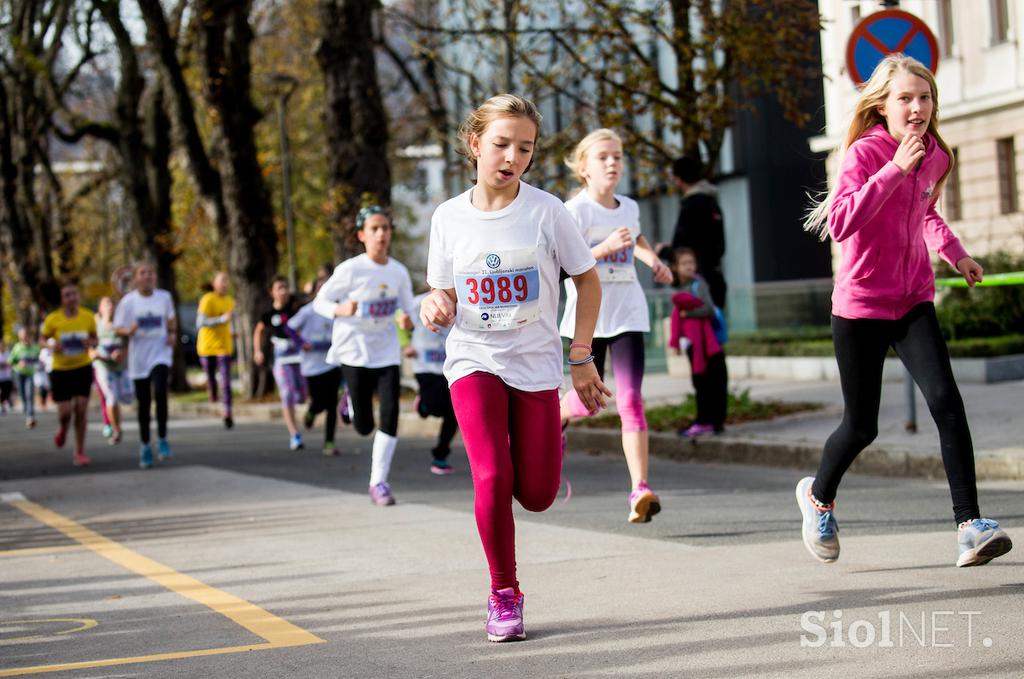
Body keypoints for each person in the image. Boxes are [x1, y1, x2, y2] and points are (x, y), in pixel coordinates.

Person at [798, 53, 1012, 568]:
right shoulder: (865, 154)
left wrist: (956, 252)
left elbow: (927, 212)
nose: (917, 108)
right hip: (860, 306)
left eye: (925, 98)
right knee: (862, 425)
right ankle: (817, 497)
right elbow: (844, 221)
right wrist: (894, 169)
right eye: (906, 99)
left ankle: (970, 526)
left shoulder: (936, 156)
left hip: (913, 297)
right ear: (883, 105)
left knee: (947, 402)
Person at [421, 94, 609, 642]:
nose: (512, 157)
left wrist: (580, 356)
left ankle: (550, 440)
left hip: (536, 364)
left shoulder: (548, 211)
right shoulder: (448, 217)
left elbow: (587, 280)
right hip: (473, 359)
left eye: (524, 148)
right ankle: (504, 593)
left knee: (538, 495)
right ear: (476, 144)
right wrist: (435, 302)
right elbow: (441, 289)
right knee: (492, 476)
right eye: (501, 144)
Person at [557, 128, 674, 524]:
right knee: (591, 405)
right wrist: (604, 249)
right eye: (603, 157)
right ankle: (559, 413)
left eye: (618, 156)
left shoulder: (629, 207)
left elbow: (636, 239)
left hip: (627, 313)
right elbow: (562, 264)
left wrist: (653, 261)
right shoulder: (575, 211)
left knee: (631, 401)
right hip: (587, 319)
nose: (612, 163)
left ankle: (640, 489)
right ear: (584, 168)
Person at [313, 206, 416, 505]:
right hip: (354, 350)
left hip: (385, 351)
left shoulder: (398, 271)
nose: (381, 234)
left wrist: (406, 320)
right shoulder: (350, 270)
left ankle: (378, 483)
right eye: (375, 229)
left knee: (390, 415)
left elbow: (407, 308)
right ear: (362, 235)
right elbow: (320, 301)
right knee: (363, 427)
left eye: (385, 228)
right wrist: (338, 309)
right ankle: (350, 400)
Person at [114, 262, 177, 469]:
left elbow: (170, 320)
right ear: (135, 279)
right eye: (143, 273)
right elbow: (117, 328)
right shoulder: (128, 302)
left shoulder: (164, 297)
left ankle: (162, 437)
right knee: (144, 404)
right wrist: (128, 331)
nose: (148, 276)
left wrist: (173, 334)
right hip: (138, 358)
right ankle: (144, 445)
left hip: (160, 354)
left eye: (151, 273)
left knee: (160, 392)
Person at [668, 248, 728, 437]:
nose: (689, 266)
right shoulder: (679, 288)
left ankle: (711, 421)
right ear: (676, 268)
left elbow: (708, 309)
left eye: (691, 263)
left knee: (712, 381)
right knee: (700, 382)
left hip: (707, 343)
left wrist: (687, 313)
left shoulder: (698, 284)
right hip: (693, 344)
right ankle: (706, 420)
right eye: (684, 263)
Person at [41, 281, 97, 467]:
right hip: (61, 369)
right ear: (62, 299)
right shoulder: (53, 319)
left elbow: (95, 339)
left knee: (81, 410)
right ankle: (63, 429)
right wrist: (50, 344)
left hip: (82, 367)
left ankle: (79, 452)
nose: (72, 298)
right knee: (65, 412)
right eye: (67, 295)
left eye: (74, 294)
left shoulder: (87, 316)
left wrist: (91, 342)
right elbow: (42, 340)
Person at [405, 291, 459, 474]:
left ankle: (440, 455)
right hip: (424, 364)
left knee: (454, 412)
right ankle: (423, 406)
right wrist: (405, 344)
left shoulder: (462, 300)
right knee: (435, 407)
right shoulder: (418, 301)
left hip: (451, 365)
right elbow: (398, 319)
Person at [663, 155, 727, 309]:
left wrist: (663, 251)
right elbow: (719, 246)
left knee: (694, 329)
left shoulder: (691, 205)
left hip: (696, 284)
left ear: (678, 179)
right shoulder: (712, 202)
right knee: (715, 329)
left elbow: (682, 246)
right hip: (716, 279)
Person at [289, 281, 344, 456]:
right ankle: (312, 412)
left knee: (331, 404)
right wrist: (301, 344)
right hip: (312, 367)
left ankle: (329, 442)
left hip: (332, 364)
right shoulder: (308, 311)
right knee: (320, 402)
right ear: (315, 292)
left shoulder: (337, 310)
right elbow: (289, 328)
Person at [254, 276, 307, 450]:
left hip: (299, 356)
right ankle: (294, 435)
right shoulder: (269, 313)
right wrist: (258, 351)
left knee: (302, 395)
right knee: (287, 394)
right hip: (281, 359)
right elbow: (259, 330)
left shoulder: (296, 306)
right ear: (272, 292)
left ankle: (303, 415)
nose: (283, 291)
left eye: (286, 287)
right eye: (279, 288)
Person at [197, 271, 236, 429]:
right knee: (212, 378)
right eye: (222, 281)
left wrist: (233, 330)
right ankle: (212, 392)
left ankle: (227, 412)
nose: (225, 284)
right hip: (207, 347)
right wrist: (220, 320)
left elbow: (230, 321)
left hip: (224, 347)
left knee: (226, 381)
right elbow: (200, 322)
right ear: (214, 284)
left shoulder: (229, 301)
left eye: (227, 281)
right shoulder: (207, 299)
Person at [92, 296, 132, 445]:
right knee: (112, 397)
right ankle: (116, 430)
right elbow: (91, 349)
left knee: (127, 398)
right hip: (104, 368)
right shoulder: (96, 325)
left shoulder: (121, 326)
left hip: (121, 368)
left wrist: (122, 354)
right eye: (106, 304)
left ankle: (116, 425)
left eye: (112, 303)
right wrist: (101, 355)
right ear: (100, 308)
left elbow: (128, 343)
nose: (110, 306)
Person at [10, 326, 40, 428]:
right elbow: (11, 361)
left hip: (30, 374)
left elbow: (38, 360)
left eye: (26, 336)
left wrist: (40, 363)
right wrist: (18, 363)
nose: (25, 339)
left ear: (29, 337)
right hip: (19, 374)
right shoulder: (17, 347)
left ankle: (30, 417)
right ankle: (27, 410)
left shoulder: (35, 348)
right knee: (23, 395)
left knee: (29, 394)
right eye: (22, 337)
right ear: (20, 338)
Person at [35, 343, 52, 413]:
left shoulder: (47, 353)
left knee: (46, 389)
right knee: (42, 389)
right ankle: (42, 404)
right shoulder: (38, 354)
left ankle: (44, 403)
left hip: (46, 373)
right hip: (40, 374)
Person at [0, 340, 13, 414]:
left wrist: (4, 364)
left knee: (7, 392)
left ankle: (4, 403)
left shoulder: (8, 353)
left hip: (7, 377)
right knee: (1, 392)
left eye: (2, 346)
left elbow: (10, 363)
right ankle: (2, 405)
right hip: (0, 377)